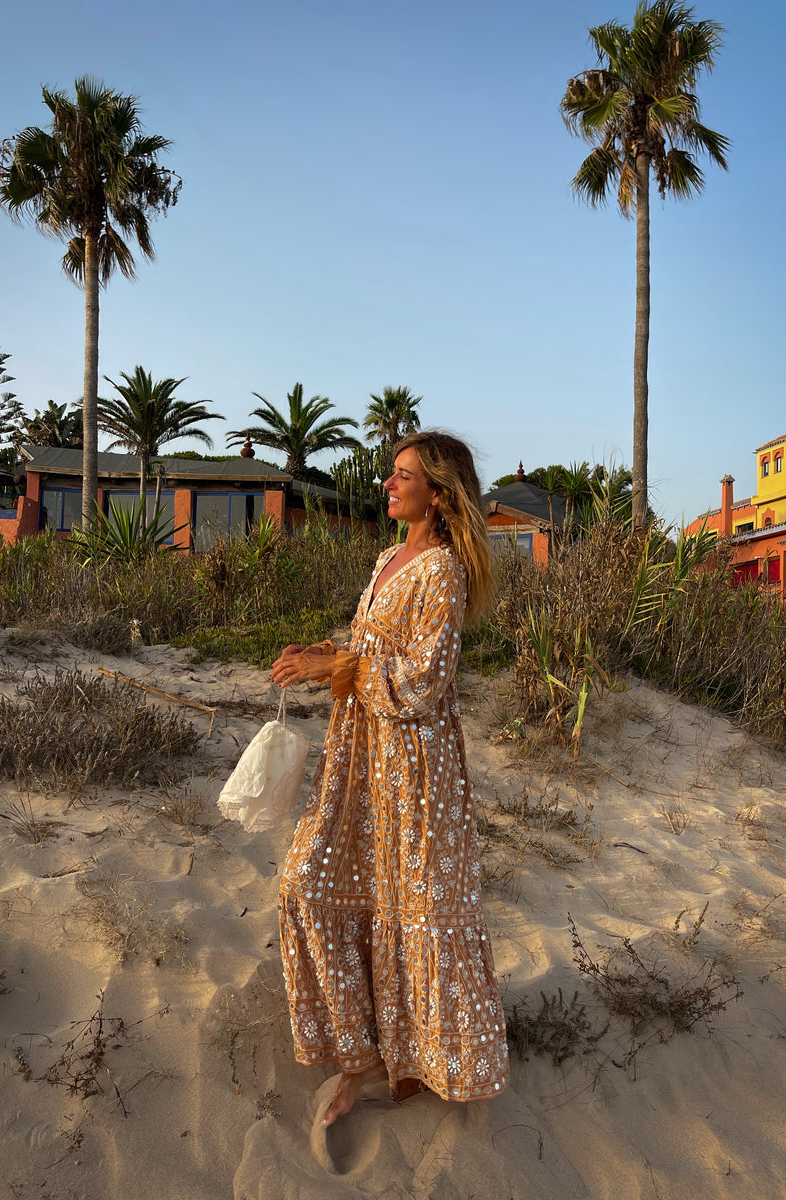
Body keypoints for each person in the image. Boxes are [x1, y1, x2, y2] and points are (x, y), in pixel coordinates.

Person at [271, 430, 509, 1127]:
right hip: (360, 756)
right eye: (391, 474)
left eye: (403, 476)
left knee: (410, 905)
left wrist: (337, 670)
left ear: (438, 493)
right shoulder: (387, 557)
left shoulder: (440, 570)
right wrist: (320, 653)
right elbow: (373, 648)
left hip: (413, 766)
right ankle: (363, 1055)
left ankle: (410, 1064)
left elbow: (425, 682)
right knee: (308, 886)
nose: (388, 485)